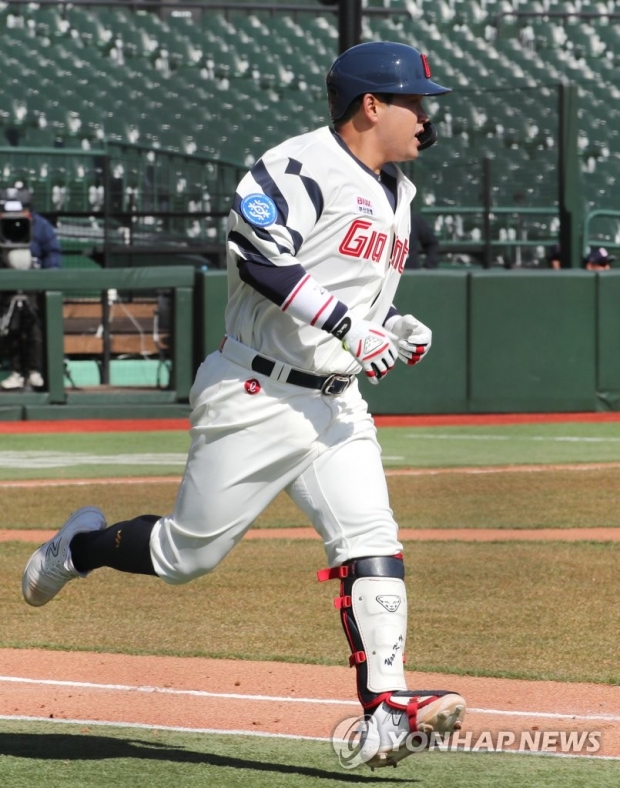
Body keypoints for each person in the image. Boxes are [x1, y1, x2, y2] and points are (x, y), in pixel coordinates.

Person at [21, 41, 466, 769]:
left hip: (335, 401)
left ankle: (385, 708)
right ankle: (77, 548)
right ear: (371, 105)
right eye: (416, 101)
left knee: (371, 539)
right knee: (184, 554)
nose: (426, 116)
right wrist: (353, 327)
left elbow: (342, 293)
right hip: (255, 393)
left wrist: (389, 329)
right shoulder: (300, 165)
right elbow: (258, 252)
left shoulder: (399, 192)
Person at [0, 188, 61, 390]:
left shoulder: (41, 226)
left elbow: (52, 254)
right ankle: (16, 372)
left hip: (34, 286)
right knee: (11, 329)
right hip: (7, 286)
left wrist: (49, 274)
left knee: (34, 327)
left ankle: (35, 372)